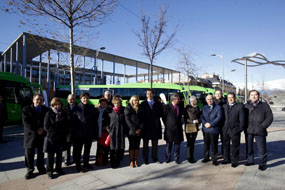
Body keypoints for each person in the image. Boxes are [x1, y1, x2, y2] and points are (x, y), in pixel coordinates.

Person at [244, 90, 273, 171]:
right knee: (249, 147)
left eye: (255, 95)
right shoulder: (245, 106)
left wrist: (263, 126)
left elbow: (270, 117)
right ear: (249, 96)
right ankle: (250, 161)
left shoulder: (264, 105)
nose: (253, 96)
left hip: (260, 130)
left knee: (262, 148)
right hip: (248, 130)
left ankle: (262, 164)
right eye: (252, 95)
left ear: (258, 96)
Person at [22, 93, 49, 179]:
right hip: (30, 135)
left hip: (42, 135)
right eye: (37, 99)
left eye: (41, 100)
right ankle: (30, 169)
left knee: (41, 153)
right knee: (29, 153)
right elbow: (26, 122)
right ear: (33, 100)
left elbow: (48, 121)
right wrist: (37, 129)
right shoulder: (26, 109)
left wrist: (43, 129)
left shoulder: (46, 109)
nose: (39, 101)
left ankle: (41, 167)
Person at [73, 92, 98, 172]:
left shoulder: (91, 107)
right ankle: (78, 165)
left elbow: (94, 120)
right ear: (80, 99)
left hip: (89, 133)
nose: (85, 99)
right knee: (78, 150)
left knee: (87, 149)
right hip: (79, 134)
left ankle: (86, 163)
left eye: (87, 98)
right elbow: (72, 122)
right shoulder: (76, 108)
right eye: (84, 98)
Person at [44, 97, 68, 179]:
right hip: (52, 138)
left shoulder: (63, 113)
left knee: (59, 154)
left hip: (61, 137)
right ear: (53, 105)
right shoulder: (49, 113)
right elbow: (46, 126)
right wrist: (55, 133)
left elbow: (66, 124)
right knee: (51, 156)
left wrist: (63, 132)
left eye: (59, 104)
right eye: (56, 104)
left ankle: (58, 169)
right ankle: (49, 171)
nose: (58, 106)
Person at [140, 89, 163, 164]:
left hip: (155, 126)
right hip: (146, 127)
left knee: (155, 144)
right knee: (145, 145)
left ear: (153, 94)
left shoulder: (158, 103)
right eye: (148, 94)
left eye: (151, 93)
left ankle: (155, 158)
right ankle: (146, 158)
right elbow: (141, 117)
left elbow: (162, 114)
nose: (149, 95)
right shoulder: (143, 104)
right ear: (146, 95)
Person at [222, 93, 245, 168]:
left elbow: (242, 120)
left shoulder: (239, 107)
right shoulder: (224, 106)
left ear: (234, 98)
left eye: (231, 97)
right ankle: (226, 159)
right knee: (225, 145)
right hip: (225, 130)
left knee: (235, 146)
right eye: (229, 98)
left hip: (235, 130)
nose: (230, 99)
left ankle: (235, 161)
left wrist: (239, 129)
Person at [201, 94, 222, 166]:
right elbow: (202, 117)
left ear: (213, 99)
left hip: (214, 129)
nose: (209, 101)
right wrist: (205, 123)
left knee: (214, 145)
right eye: (208, 99)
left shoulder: (218, 107)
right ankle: (206, 157)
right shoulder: (204, 107)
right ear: (206, 100)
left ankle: (214, 159)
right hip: (206, 129)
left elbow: (219, 118)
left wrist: (211, 124)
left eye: (211, 99)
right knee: (206, 144)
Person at [163, 94, 184, 164]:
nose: (179, 100)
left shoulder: (180, 105)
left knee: (177, 145)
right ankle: (168, 158)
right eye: (178, 99)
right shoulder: (167, 107)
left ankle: (176, 158)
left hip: (178, 129)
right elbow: (164, 117)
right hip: (169, 129)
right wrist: (168, 124)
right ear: (173, 100)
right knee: (169, 145)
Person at [106, 98, 127, 169]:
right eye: (115, 103)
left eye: (118, 103)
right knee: (112, 148)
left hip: (121, 132)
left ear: (120, 104)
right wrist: (109, 130)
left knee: (119, 148)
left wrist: (124, 130)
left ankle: (118, 162)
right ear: (113, 104)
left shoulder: (123, 111)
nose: (117, 105)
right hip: (113, 132)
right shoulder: (110, 112)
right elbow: (107, 122)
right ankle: (112, 162)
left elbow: (125, 122)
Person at [125, 95, 143, 168]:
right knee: (132, 146)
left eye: (137, 100)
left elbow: (143, 120)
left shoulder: (140, 108)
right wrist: (134, 130)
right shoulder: (128, 108)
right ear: (132, 101)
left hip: (139, 131)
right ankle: (131, 161)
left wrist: (140, 129)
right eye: (135, 100)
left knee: (137, 146)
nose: (136, 102)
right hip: (131, 131)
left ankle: (136, 160)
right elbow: (127, 121)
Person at [184, 96, 201, 163]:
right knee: (189, 142)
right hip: (189, 127)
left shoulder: (197, 107)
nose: (193, 102)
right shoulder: (187, 108)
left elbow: (200, 116)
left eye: (194, 101)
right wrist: (193, 121)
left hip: (195, 127)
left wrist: (198, 121)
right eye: (191, 101)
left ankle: (192, 156)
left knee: (193, 142)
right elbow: (185, 119)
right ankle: (189, 157)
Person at [62, 94, 77, 166]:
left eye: (73, 99)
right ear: (67, 100)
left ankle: (75, 159)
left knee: (76, 146)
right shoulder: (64, 108)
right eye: (71, 99)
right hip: (67, 130)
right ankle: (66, 159)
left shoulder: (78, 107)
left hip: (76, 130)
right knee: (67, 146)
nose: (72, 100)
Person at [95, 98, 110, 166]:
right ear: (99, 103)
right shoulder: (97, 111)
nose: (103, 105)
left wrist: (107, 126)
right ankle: (98, 160)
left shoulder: (109, 110)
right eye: (102, 103)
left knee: (105, 146)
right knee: (99, 147)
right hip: (98, 130)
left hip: (105, 131)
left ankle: (105, 160)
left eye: (104, 104)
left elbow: (110, 121)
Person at [214, 89, 226, 156]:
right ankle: (215, 154)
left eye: (219, 93)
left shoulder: (225, 102)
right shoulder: (212, 102)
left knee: (223, 140)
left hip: (223, 124)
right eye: (216, 94)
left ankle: (224, 153)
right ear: (214, 94)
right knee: (214, 140)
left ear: (222, 94)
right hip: (215, 124)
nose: (218, 95)